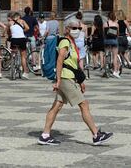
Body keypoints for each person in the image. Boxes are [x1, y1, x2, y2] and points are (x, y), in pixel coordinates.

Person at [38, 18, 113, 146]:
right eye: (74, 28)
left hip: (69, 77)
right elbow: (60, 61)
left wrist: (81, 81)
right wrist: (58, 80)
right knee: (83, 104)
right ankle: (96, 135)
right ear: (67, 29)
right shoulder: (65, 42)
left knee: (57, 106)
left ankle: (45, 135)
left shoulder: (72, 43)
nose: (77, 30)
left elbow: (73, 65)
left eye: (78, 28)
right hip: (65, 78)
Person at [8, 12, 30, 80]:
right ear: (19, 16)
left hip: (14, 39)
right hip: (22, 39)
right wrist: (22, 31)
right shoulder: (22, 21)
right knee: (23, 56)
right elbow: (28, 28)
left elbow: (7, 31)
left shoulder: (10, 22)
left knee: (13, 52)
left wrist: (10, 34)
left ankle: (13, 61)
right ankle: (25, 72)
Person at [104, 11, 120, 78]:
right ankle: (115, 71)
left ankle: (106, 69)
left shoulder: (105, 24)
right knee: (115, 56)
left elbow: (103, 33)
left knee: (106, 55)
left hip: (107, 41)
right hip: (114, 41)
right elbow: (117, 34)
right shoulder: (116, 24)